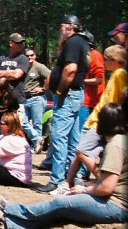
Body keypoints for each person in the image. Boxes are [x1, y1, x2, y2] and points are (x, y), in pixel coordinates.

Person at [0, 104, 126, 229]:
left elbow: (107, 187)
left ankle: (10, 209)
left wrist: (84, 189)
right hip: (116, 203)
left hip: (115, 205)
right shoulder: (120, 140)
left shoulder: (115, 145)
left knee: (60, 203)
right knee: (62, 212)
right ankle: (12, 223)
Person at [39, 13, 92, 193]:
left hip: (68, 96)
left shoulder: (73, 42)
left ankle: (57, 181)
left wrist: (60, 91)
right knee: (74, 138)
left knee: (60, 137)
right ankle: (73, 178)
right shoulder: (83, 43)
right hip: (77, 94)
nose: (59, 31)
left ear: (70, 26)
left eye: (61, 27)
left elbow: (70, 70)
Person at [65, 45, 128, 190]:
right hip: (98, 119)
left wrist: (111, 118)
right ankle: (70, 182)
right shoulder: (116, 74)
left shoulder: (119, 74)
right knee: (86, 154)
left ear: (115, 60)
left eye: (106, 59)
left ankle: (100, 180)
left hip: (101, 120)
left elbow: (118, 99)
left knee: (81, 152)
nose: (104, 62)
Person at [23, 46, 51, 153]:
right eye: (27, 55)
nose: (30, 57)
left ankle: (37, 147)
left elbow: (51, 75)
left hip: (37, 99)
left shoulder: (39, 67)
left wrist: (43, 88)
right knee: (21, 121)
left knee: (37, 124)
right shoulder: (22, 67)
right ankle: (37, 139)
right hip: (24, 99)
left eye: (32, 55)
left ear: (35, 56)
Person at [80, 30, 106, 132]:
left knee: (84, 131)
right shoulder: (84, 56)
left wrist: (81, 80)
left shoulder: (94, 55)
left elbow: (99, 79)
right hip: (84, 101)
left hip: (91, 103)